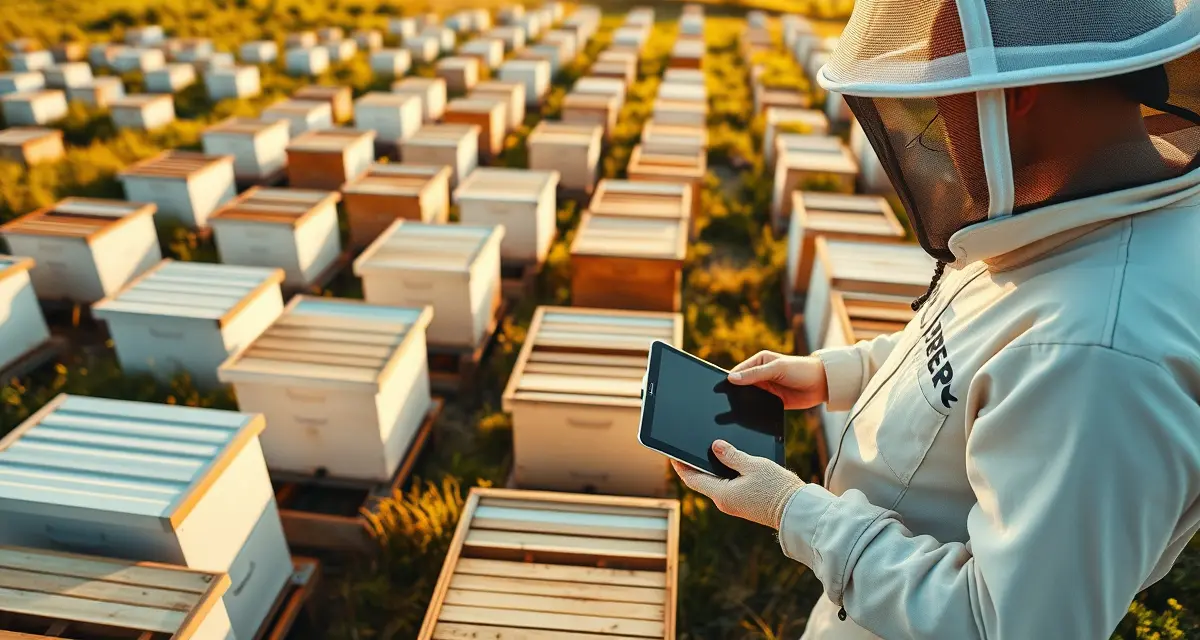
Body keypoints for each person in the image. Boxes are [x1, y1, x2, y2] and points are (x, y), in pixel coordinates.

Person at [673, 1, 1200, 637]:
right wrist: (835, 373)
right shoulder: (1076, 208)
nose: (941, 131)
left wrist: (797, 511)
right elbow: (975, 352)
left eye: (944, 93)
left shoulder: (1099, 354)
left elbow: (1005, 625)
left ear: (1019, 92)